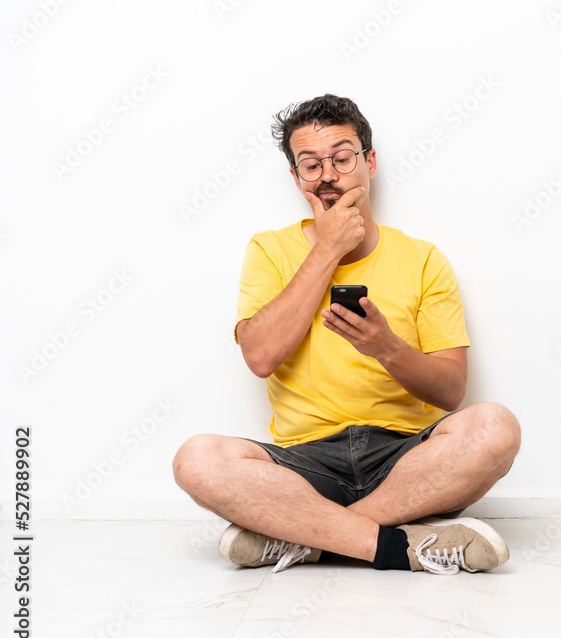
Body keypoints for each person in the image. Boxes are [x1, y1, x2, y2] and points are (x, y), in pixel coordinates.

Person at [172, 94, 520, 575]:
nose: (329, 175)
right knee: (197, 460)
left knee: (495, 427)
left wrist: (386, 348)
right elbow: (260, 356)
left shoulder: (423, 259)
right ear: (296, 179)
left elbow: (451, 391)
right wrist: (329, 249)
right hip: (305, 464)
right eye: (311, 165)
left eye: (341, 158)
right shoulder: (269, 250)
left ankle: (304, 538)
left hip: (403, 462)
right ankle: (399, 546)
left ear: (369, 162)